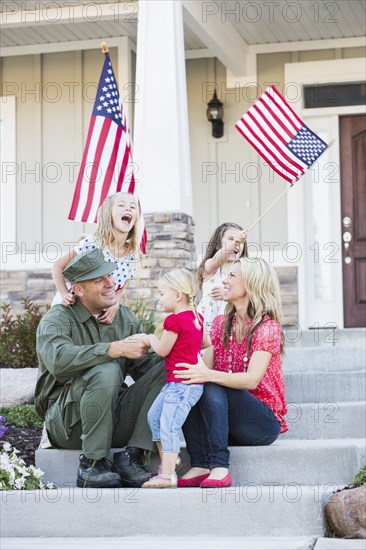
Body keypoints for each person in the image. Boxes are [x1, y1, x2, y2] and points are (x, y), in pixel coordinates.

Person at [35, 248, 166, 489]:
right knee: (106, 369)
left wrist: (179, 345)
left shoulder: (124, 319)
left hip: (115, 418)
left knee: (170, 367)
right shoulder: (57, 319)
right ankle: (92, 463)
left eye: (110, 276)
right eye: (99, 280)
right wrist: (114, 349)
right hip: (68, 425)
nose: (110, 284)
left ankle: (132, 456)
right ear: (78, 289)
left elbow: (147, 369)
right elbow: (58, 361)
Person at [174, 257, 288, 488]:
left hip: (261, 424)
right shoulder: (219, 324)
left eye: (232, 276)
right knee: (189, 377)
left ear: (252, 284)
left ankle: (219, 466)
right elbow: (203, 370)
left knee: (211, 380)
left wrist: (207, 375)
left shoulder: (267, 328)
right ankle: (200, 463)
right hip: (226, 420)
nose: (224, 280)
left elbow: (251, 379)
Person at [141, 269, 207, 488]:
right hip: (177, 384)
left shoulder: (174, 321)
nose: (159, 298)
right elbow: (205, 343)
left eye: (161, 293)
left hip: (182, 386)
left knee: (168, 426)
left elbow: (161, 350)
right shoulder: (197, 317)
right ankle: (172, 462)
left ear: (178, 295)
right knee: (154, 417)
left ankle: (166, 475)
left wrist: (149, 337)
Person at [51, 191, 141, 324]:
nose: (128, 208)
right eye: (121, 205)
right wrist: (65, 294)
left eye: (133, 207)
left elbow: (120, 287)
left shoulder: (132, 254)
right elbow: (57, 267)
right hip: (71, 310)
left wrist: (115, 304)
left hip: (97, 315)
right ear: (108, 215)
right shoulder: (93, 244)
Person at [197, 223, 248, 333]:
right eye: (231, 239)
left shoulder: (243, 271)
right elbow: (217, 260)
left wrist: (227, 294)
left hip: (230, 324)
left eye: (241, 242)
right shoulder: (211, 267)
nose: (237, 243)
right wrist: (235, 242)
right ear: (217, 245)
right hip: (207, 325)